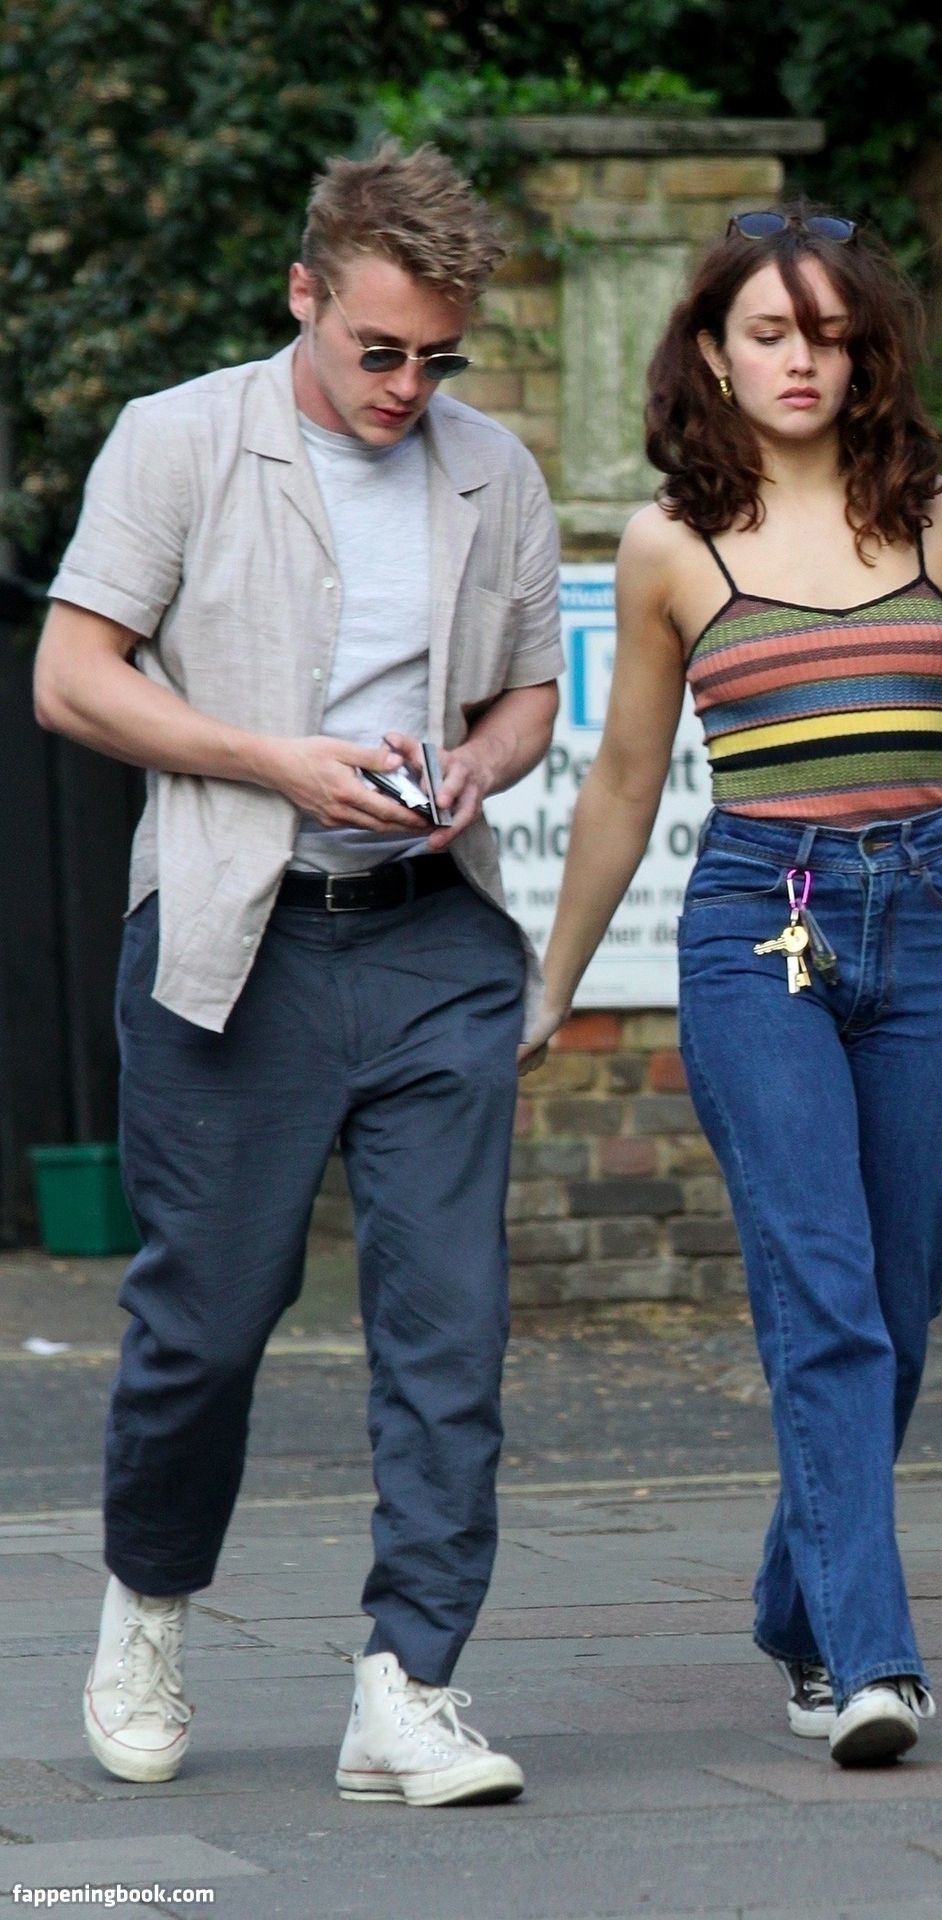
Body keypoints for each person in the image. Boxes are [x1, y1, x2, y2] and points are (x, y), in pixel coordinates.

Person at [519, 207, 942, 1767]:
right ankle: (871, 1662)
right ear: (714, 353)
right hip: (755, 935)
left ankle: (800, 1601)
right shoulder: (672, 544)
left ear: (868, 354)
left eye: (830, 335)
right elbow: (625, 782)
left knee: (900, 1306)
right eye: (771, 333)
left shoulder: (940, 521)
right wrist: (552, 982)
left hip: (922, 932)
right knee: (826, 1299)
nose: (802, 360)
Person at [33, 142, 565, 1807]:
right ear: (304, 296)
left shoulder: (495, 474)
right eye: (378, 350)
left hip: (432, 941)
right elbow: (70, 677)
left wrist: (478, 765)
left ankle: (411, 1683)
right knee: (205, 1326)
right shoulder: (181, 439)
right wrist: (276, 759)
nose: (409, 387)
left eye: (439, 359)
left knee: (450, 1329)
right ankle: (148, 1604)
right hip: (230, 943)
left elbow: (531, 696)